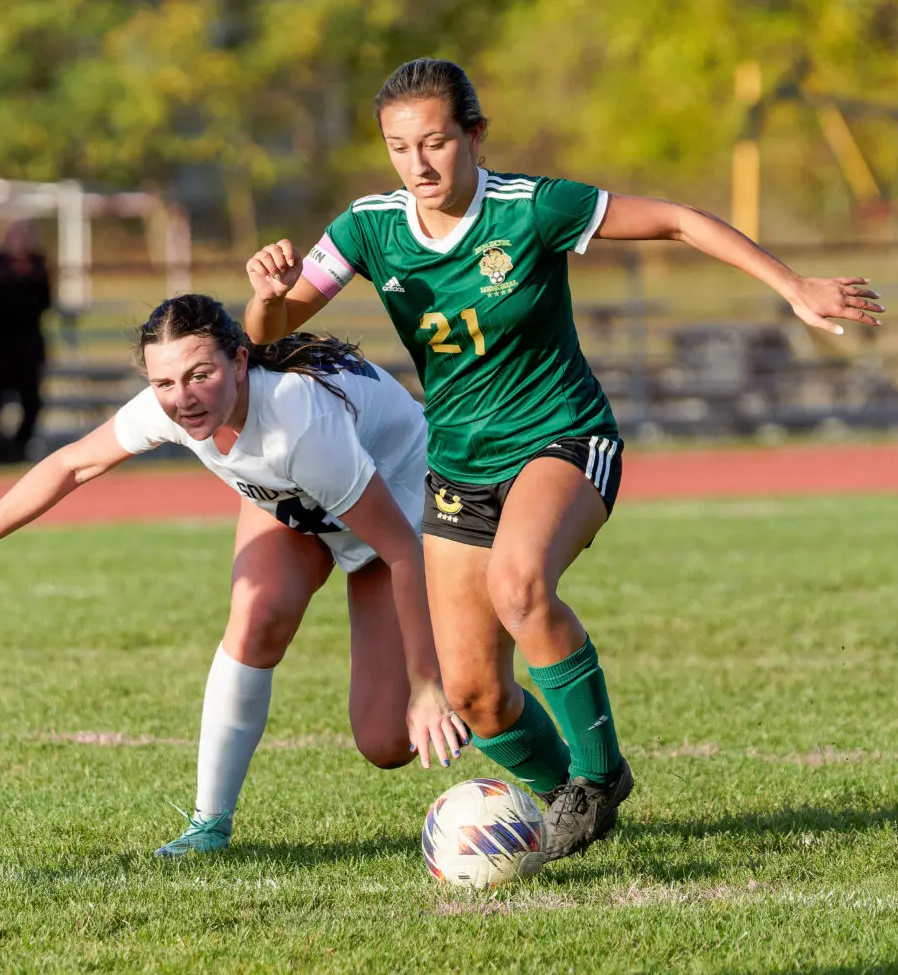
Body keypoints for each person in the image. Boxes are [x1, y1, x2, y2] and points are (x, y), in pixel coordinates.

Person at [243, 58, 886, 862]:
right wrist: (267, 293)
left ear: (474, 136)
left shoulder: (532, 208)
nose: (419, 164)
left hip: (564, 439)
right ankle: (562, 809)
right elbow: (267, 334)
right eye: (400, 147)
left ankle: (597, 774)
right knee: (477, 694)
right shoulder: (369, 228)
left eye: (437, 142)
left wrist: (791, 285)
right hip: (459, 467)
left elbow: (679, 220)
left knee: (520, 584)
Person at [0, 293, 467, 857]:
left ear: (240, 363)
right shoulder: (172, 403)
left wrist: (426, 685)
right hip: (299, 499)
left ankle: (516, 729)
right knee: (256, 616)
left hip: (401, 523)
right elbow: (71, 463)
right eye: (165, 383)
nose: (182, 398)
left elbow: (400, 551)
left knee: (388, 740)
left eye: (200, 375)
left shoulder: (300, 422)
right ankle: (209, 825)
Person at [0, 219, 51, 464]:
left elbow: (45, 303)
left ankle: (18, 449)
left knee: (32, 403)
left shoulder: (38, 267)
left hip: (27, 348)